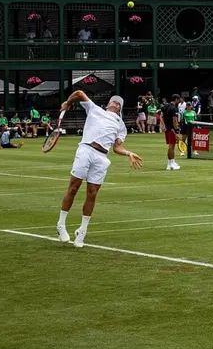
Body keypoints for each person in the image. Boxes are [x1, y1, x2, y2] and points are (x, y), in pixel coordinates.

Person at [55, 91, 141, 246]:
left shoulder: (120, 125)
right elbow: (79, 93)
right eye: (113, 102)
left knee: (92, 193)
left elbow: (117, 148)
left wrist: (129, 153)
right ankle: (61, 224)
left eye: (118, 104)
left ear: (120, 109)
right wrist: (68, 103)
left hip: (102, 157)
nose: (115, 104)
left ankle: (82, 231)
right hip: (86, 149)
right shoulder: (95, 109)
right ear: (108, 105)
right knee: (73, 188)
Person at [160, 95, 181, 170]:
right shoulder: (174, 108)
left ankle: (172, 162)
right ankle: (170, 165)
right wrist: (177, 131)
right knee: (171, 146)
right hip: (172, 130)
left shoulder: (165, 106)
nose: (179, 101)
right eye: (178, 100)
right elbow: (174, 120)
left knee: (172, 146)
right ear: (176, 99)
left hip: (167, 129)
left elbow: (161, 117)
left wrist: (163, 126)